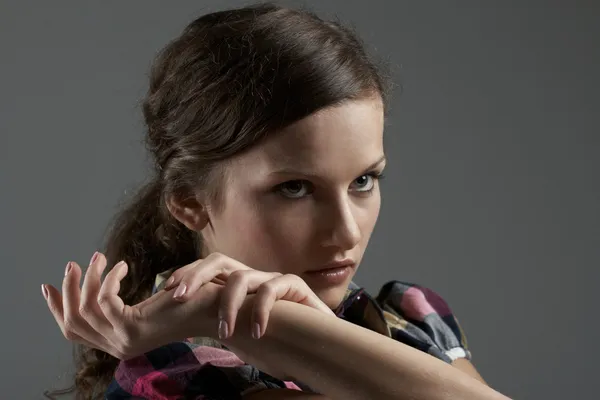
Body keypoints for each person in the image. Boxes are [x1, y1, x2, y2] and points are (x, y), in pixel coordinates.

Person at [41, 3, 510, 400]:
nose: (346, 232)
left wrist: (275, 322)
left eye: (364, 180)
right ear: (189, 201)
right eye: (294, 188)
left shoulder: (410, 316)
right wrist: (228, 318)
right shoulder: (175, 372)